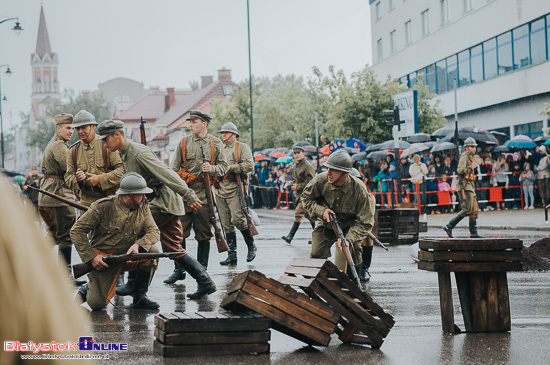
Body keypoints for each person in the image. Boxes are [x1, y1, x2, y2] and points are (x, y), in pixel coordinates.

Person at [98, 119, 216, 299]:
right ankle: (205, 282)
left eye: (106, 139)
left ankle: (134, 287)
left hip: (162, 203)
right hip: (161, 203)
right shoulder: (125, 154)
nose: (104, 144)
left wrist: (189, 195)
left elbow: (167, 174)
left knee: (131, 232)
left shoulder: (137, 152)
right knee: (174, 248)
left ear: (117, 135)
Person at [0, 174, 93, 365]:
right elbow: (50, 332)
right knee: (63, 236)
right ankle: (71, 273)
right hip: (58, 198)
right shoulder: (4, 207)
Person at [72, 173, 162, 310]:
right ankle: (87, 288)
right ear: (128, 195)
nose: (145, 197)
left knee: (153, 253)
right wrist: (92, 257)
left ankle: (140, 296)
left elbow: (154, 231)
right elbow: (77, 231)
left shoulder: (143, 206)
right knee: (97, 305)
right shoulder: (102, 207)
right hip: (104, 261)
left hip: (128, 257)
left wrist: (138, 245)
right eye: (141, 194)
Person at [170, 110, 228, 270]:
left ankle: (202, 273)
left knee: (204, 235)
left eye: (194, 122)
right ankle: (179, 270)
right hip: (185, 197)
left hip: (205, 196)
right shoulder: (183, 143)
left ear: (204, 124)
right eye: (190, 122)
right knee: (179, 234)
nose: (191, 125)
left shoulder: (216, 143)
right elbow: (173, 170)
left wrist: (211, 169)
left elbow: (224, 167)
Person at [301, 151, 374, 274]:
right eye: (328, 168)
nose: (328, 172)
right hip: (326, 224)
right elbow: (305, 198)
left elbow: (366, 222)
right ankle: (319, 283)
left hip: (349, 227)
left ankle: (356, 277)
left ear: (345, 173)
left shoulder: (359, 189)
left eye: (334, 170)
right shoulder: (321, 180)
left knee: (352, 251)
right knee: (316, 253)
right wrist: (322, 211)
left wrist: (349, 238)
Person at [37, 113, 85, 286]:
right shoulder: (59, 147)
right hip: (59, 197)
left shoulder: (53, 144)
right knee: (66, 237)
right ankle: (65, 276)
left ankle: (33, 264)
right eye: (68, 128)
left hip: (48, 196)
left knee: (53, 235)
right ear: (58, 128)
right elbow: (70, 168)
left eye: (72, 128)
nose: (71, 131)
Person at [215, 122, 257, 266]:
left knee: (238, 219)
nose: (223, 135)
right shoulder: (219, 149)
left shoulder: (242, 147)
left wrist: (231, 168)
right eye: (222, 133)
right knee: (226, 224)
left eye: (226, 132)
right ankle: (231, 254)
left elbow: (249, 166)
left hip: (234, 188)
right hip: (220, 189)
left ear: (234, 134)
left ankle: (251, 245)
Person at [65, 110, 124, 207]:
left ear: (93, 126)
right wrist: (77, 179)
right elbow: (68, 178)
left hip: (109, 200)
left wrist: (99, 179)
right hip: (86, 203)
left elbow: (122, 170)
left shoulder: (107, 145)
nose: (80, 131)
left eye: (83, 127)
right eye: (77, 128)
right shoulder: (73, 151)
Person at [333, 167, 376, 282]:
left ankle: (363, 269)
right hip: (344, 226)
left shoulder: (368, 197)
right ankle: (342, 271)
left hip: (360, 225)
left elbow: (367, 218)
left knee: (366, 237)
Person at [443, 137, 482, 238]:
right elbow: (460, 170)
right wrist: (471, 167)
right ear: (466, 148)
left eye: (474, 147)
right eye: (472, 146)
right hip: (465, 186)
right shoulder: (464, 156)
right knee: (467, 209)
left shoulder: (469, 156)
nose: (474, 149)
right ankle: (449, 226)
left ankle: (473, 233)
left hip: (470, 186)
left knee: (474, 209)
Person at [282, 144, 316, 244]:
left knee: (298, 213)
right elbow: (296, 178)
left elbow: (311, 182)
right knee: (310, 216)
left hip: (307, 195)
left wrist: (298, 186)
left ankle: (290, 236)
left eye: (299, 153)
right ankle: (318, 238)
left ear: (303, 154)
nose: (296, 155)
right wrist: (293, 184)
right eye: (295, 153)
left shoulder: (308, 166)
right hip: (299, 195)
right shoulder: (296, 165)